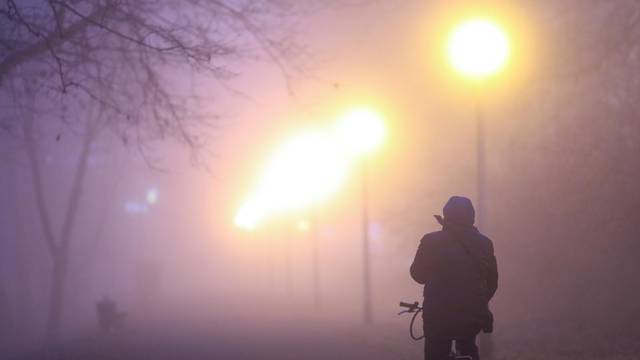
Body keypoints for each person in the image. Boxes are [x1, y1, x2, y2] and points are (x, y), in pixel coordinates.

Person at [410, 196, 498, 360]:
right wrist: (477, 300)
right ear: (472, 216)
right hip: (472, 315)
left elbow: (418, 275)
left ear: (446, 216)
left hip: (437, 315)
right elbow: (492, 283)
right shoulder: (485, 243)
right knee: (467, 346)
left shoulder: (430, 241)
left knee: (435, 352)